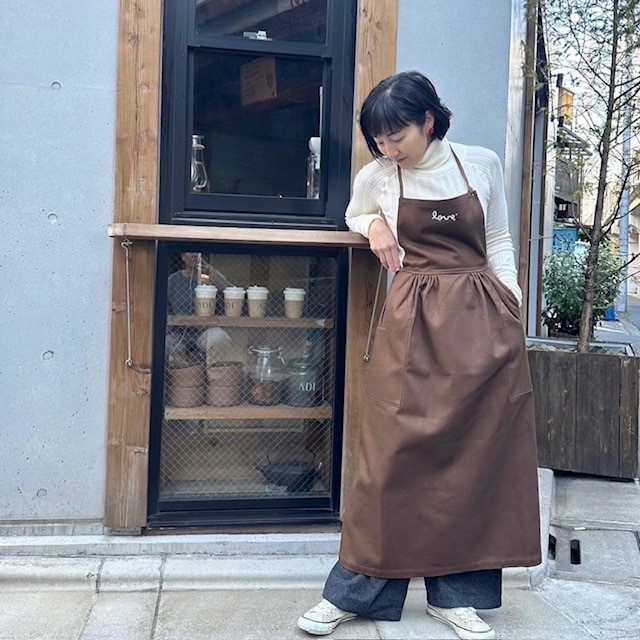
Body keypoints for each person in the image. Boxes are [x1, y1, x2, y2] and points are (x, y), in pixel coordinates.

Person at [297, 71, 541, 640]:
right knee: (389, 460)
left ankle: (454, 596)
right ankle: (353, 593)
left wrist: (512, 304)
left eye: (397, 137)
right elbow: (355, 213)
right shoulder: (378, 175)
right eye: (378, 140)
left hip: (482, 323)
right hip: (410, 327)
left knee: (472, 459)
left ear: (428, 122)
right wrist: (375, 225)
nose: (388, 149)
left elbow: (499, 240)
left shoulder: (478, 164)